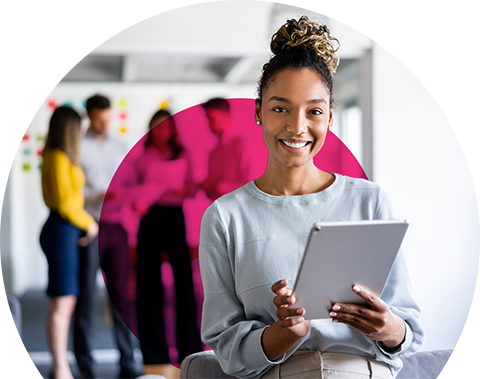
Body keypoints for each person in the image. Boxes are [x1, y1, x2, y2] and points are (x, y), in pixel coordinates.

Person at [199, 16, 424, 379]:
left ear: (330, 117)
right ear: (258, 112)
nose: (297, 126)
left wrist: (389, 327)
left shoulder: (370, 201)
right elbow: (225, 346)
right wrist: (281, 335)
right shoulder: (225, 217)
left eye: (314, 111)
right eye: (280, 108)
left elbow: (409, 331)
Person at [74, 94, 140, 379]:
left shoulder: (120, 146)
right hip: (89, 227)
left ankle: (128, 361)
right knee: (85, 299)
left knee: (121, 299)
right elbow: (73, 192)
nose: (104, 124)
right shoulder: (76, 148)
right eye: (99, 119)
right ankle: (84, 365)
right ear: (89, 116)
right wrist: (96, 195)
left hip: (117, 228)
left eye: (107, 118)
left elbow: (132, 184)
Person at [134, 110, 203, 372]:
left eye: (165, 127)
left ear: (172, 130)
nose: (161, 132)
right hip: (150, 219)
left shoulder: (183, 154)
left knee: (185, 286)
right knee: (149, 288)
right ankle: (154, 352)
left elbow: (193, 187)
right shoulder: (142, 157)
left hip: (175, 217)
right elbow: (135, 189)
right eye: (156, 127)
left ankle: (190, 349)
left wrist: (184, 189)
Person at [40, 106, 99, 379]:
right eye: (80, 126)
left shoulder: (63, 157)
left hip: (67, 230)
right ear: (69, 129)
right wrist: (89, 222)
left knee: (67, 302)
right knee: (62, 303)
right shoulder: (55, 157)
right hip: (62, 229)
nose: (83, 131)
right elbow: (65, 203)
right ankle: (61, 369)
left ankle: (59, 366)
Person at [200, 98, 250, 200]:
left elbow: (249, 186)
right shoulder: (213, 152)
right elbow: (212, 195)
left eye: (212, 119)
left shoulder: (242, 145)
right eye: (207, 118)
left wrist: (217, 186)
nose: (208, 124)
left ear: (225, 115)